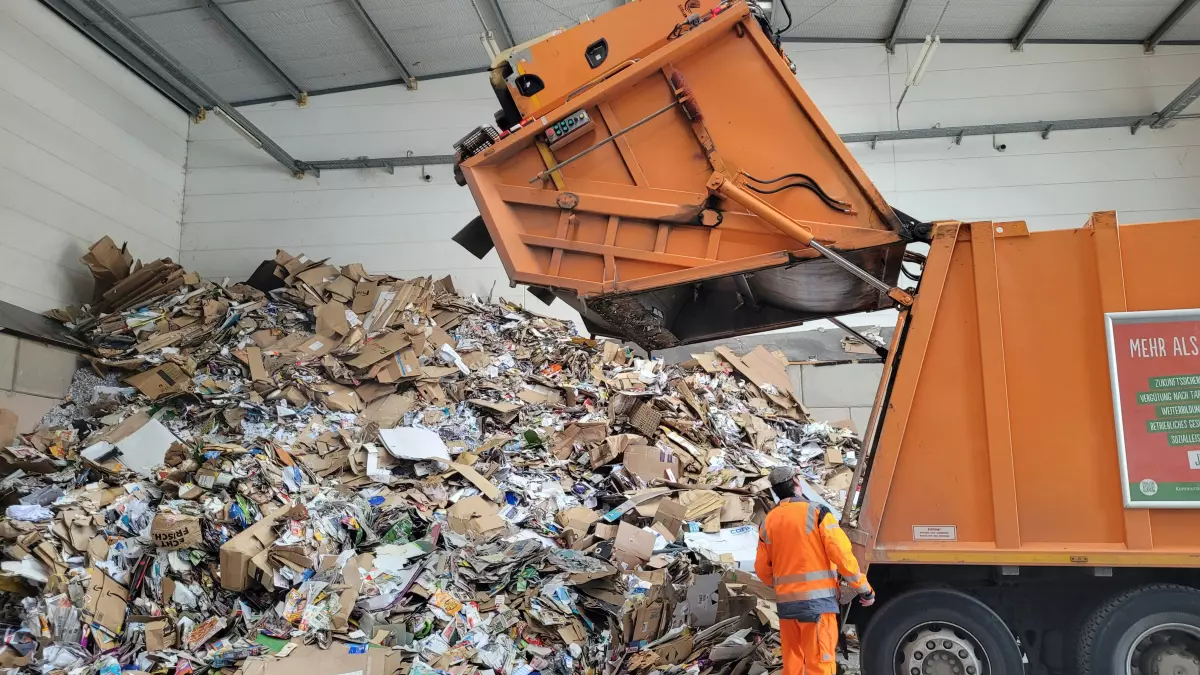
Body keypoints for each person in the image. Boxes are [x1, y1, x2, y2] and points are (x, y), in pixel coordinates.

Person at [754, 466, 875, 675]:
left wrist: (785, 586)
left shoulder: (768, 522)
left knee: (794, 665)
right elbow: (842, 555)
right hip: (817, 607)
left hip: (787, 607)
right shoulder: (817, 512)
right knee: (819, 663)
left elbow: (763, 570)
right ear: (797, 484)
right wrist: (864, 589)